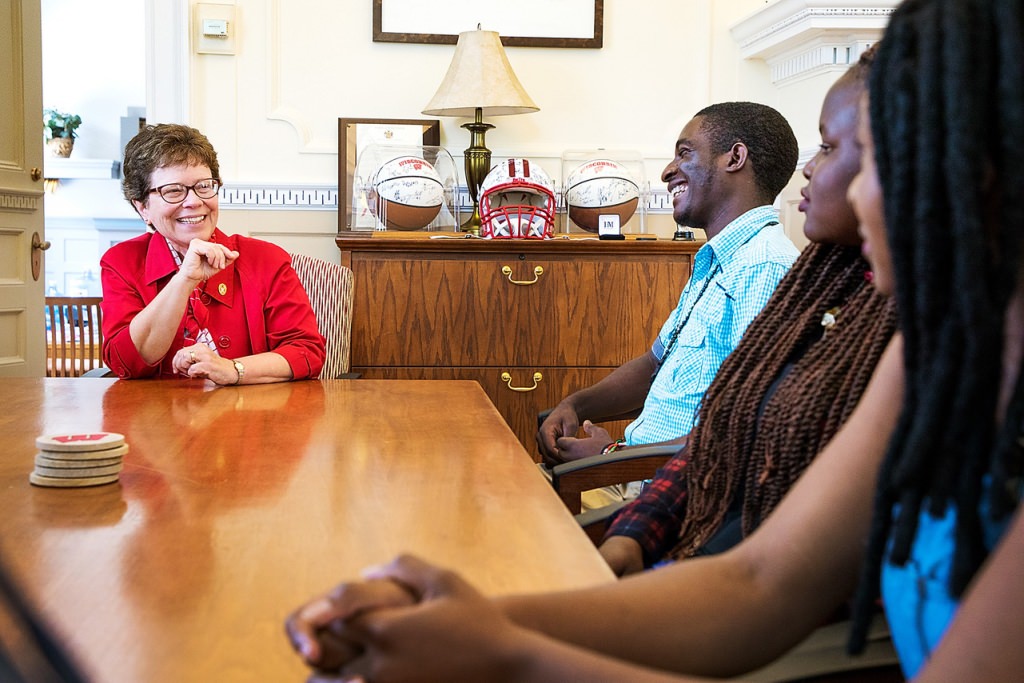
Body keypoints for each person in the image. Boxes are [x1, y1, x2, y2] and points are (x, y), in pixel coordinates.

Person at [283, 0, 1024, 680]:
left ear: (976, 172)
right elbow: (758, 582)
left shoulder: (807, 285)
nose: (841, 190)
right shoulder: (932, 350)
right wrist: (476, 617)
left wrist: (505, 650)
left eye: (853, 154)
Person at [600, 46, 896, 576]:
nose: (809, 168)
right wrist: (631, 539)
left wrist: (608, 466)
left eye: (828, 147)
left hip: (716, 554)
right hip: (675, 519)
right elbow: (728, 426)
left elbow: (764, 566)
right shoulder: (829, 288)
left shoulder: (769, 268)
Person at [537, 103, 800, 508]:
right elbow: (653, 365)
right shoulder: (718, 261)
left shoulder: (764, 267)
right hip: (631, 476)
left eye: (685, 153)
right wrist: (575, 404)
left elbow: (745, 431)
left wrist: (612, 458)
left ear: (735, 158)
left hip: (664, 500)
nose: (667, 171)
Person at [100, 123, 325, 384]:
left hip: (251, 419)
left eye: (204, 186)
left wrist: (233, 369)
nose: (194, 201)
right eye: (173, 191)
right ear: (142, 208)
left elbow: (307, 351)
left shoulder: (267, 260)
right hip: (156, 420)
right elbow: (124, 363)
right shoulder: (121, 262)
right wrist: (184, 280)